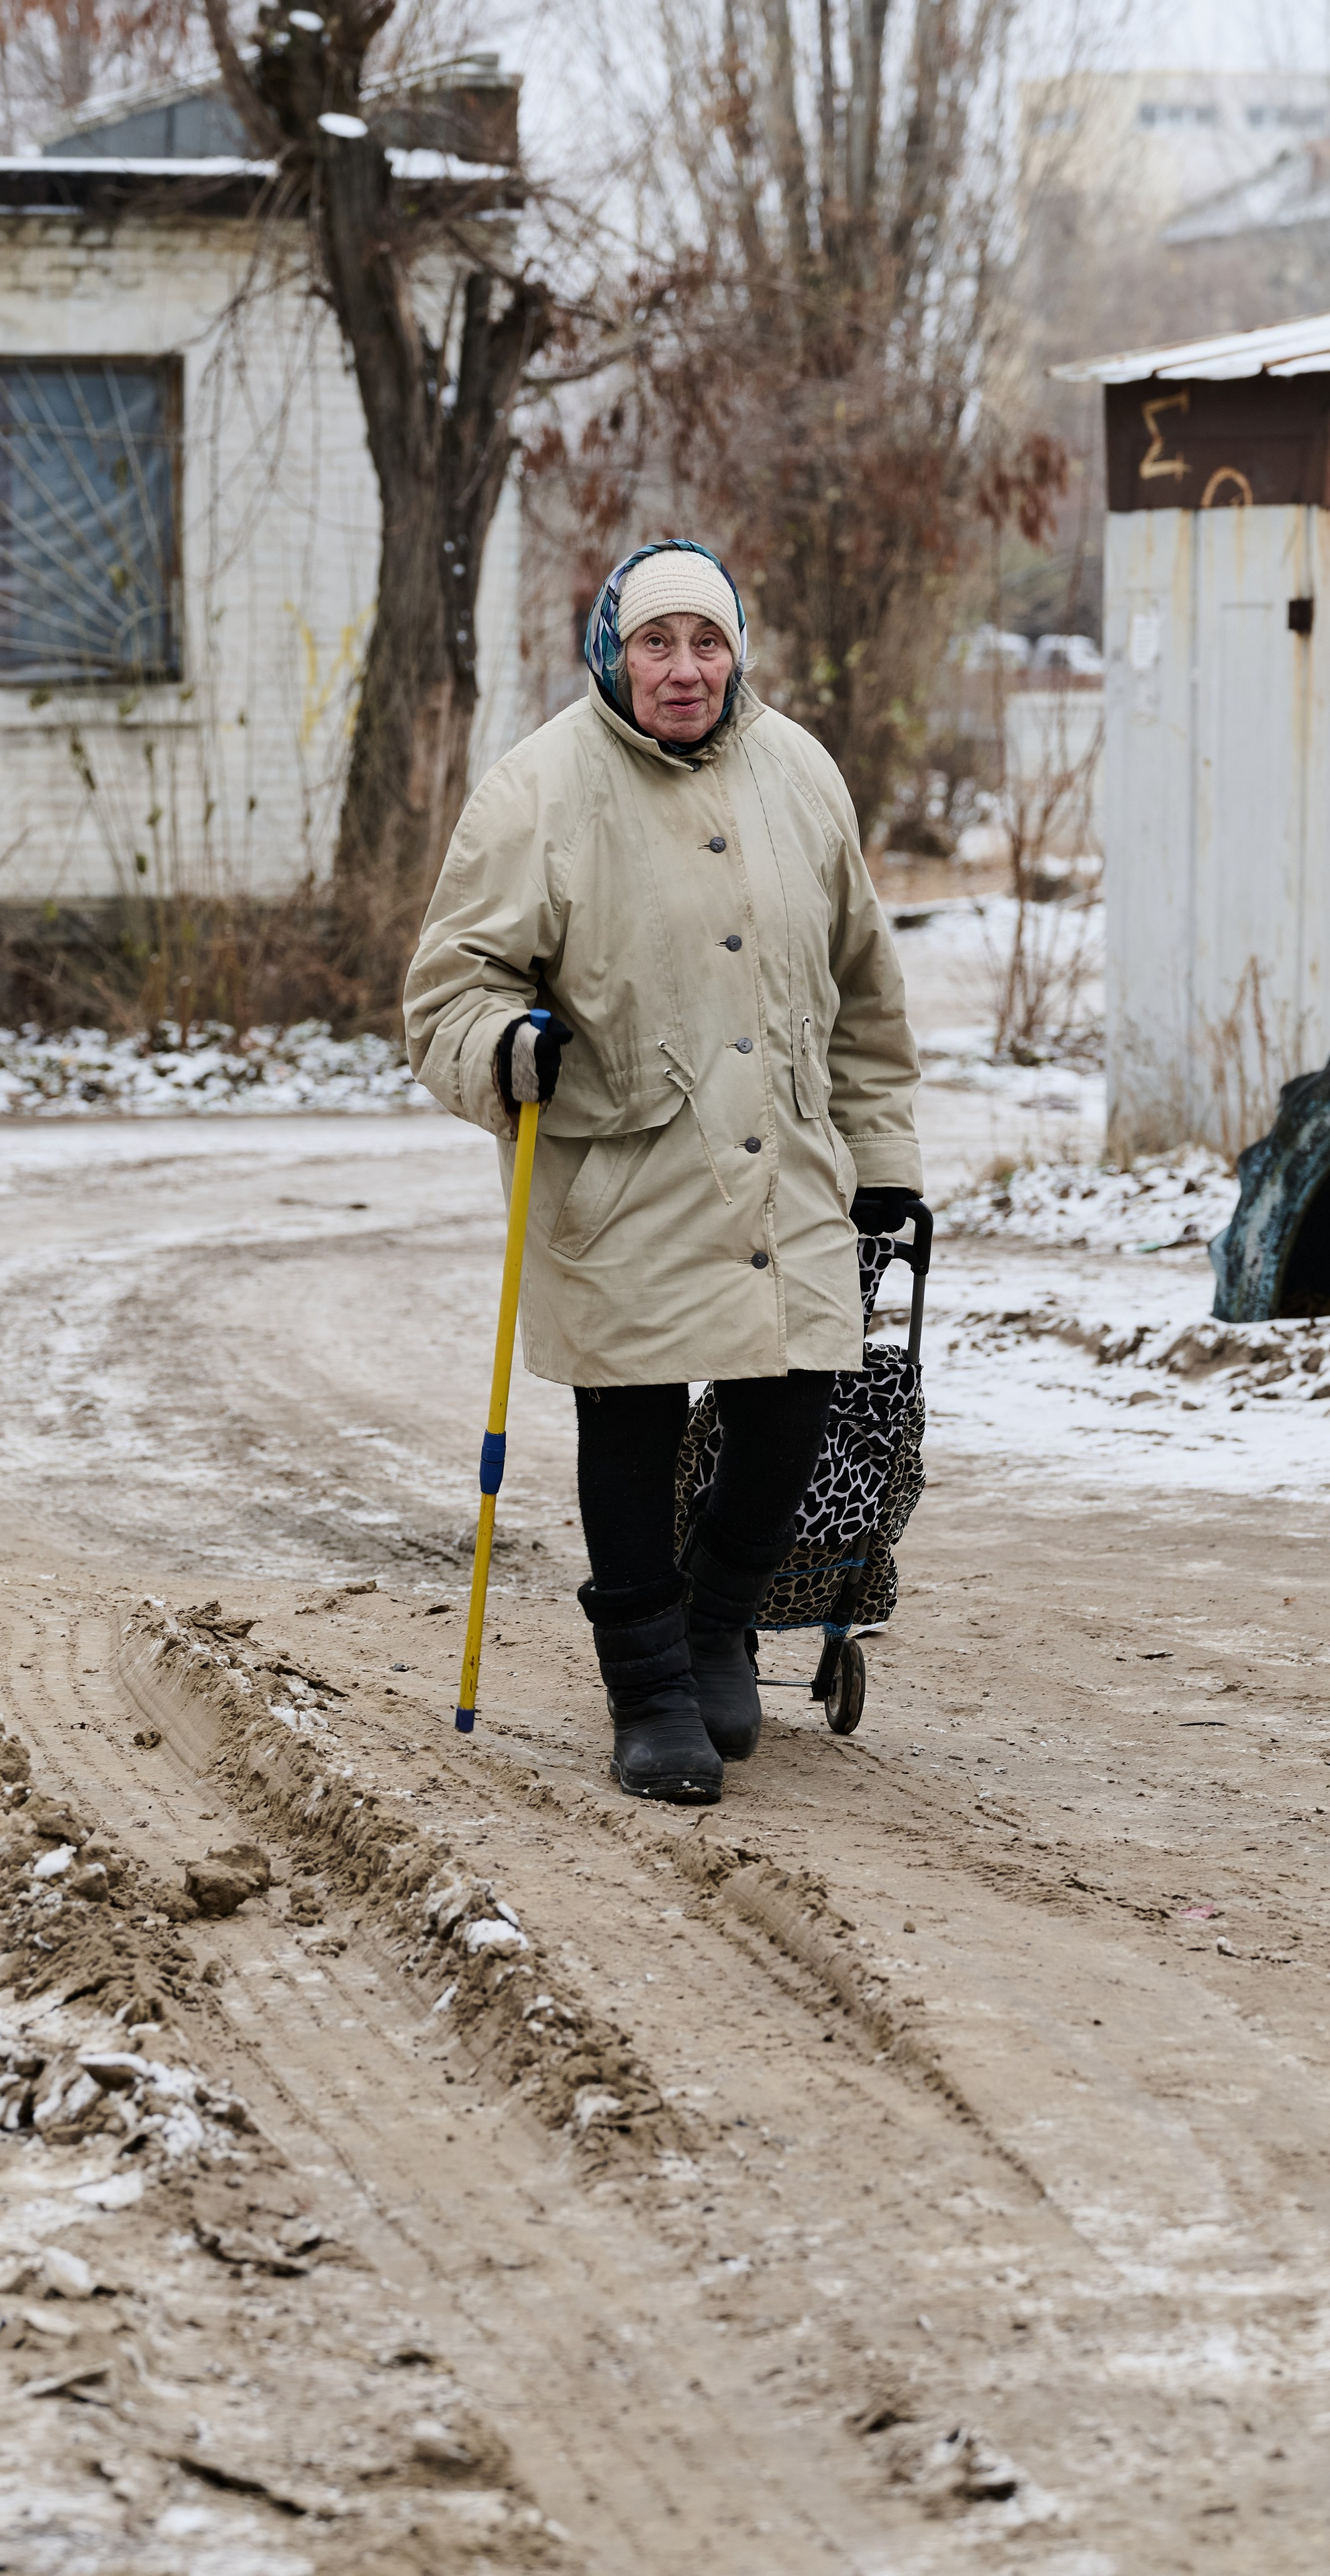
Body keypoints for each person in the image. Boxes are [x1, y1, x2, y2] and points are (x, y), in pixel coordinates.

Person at [404, 539, 922, 1807]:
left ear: (737, 649)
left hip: (790, 1158)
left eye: (706, 642)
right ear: (611, 654)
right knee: (630, 1419)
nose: (684, 670)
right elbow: (448, 992)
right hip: (619, 1162)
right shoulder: (537, 791)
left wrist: (888, 1159)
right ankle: (647, 1691)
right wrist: (505, 1046)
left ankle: (716, 1626)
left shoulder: (800, 773)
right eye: (655, 644)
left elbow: (864, 990)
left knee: (798, 1402)